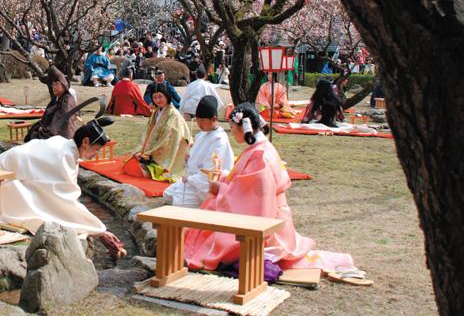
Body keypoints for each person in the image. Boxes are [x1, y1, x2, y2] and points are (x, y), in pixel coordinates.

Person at [184, 103, 360, 276]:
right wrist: (224, 181)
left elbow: (253, 198)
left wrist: (221, 189)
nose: (232, 132)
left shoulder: (259, 155)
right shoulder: (259, 148)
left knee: (210, 237)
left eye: (232, 127)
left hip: (269, 220)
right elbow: (245, 186)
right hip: (271, 211)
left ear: (244, 127)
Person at [0, 117, 127, 257]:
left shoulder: (63, 144)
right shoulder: (64, 158)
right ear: (85, 141)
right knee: (35, 208)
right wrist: (99, 230)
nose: (96, 154)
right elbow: (65, 203)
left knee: (35, 195)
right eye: (96, 150)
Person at [163, 96, 234, 207]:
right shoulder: (201, 134)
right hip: (192, 179)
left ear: (213, 119)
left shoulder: (219, 140)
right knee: (167, 195)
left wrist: (190, 179)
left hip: (203, 184)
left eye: (202, 121)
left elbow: (210, 172)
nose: (199, 124)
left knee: (178, 204)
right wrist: (189, 158)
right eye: (197, 120)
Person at [132, 83, 193, 181]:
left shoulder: (174, 115)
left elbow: (169, 139)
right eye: (154, 97)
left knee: (143, 169)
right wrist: (143, 150)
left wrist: (149, 153)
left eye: (160, 96)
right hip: (156, 148)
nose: (157, 100)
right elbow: (149, 132)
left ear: (167, 96)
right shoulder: (157, 111)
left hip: (173, 152)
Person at [24, 66, 78, 141]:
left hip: (61, 134)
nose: (54, 87)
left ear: (63, 85)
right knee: (33, 132)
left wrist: (46, 130)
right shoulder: (55, 99)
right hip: (51, 129)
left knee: (35, 136)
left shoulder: (67, 100)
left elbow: (61, 120)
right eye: (53, 85)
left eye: (57, 84)